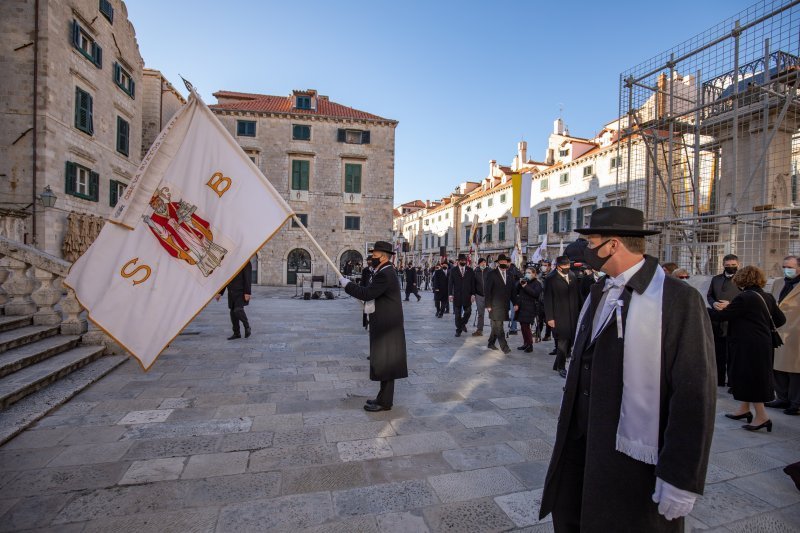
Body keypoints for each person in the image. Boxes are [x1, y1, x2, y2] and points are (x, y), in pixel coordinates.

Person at [540, 206, 716, 532]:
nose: (585, 250)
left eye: (591, 241)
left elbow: (695, 391)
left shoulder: (678, 299)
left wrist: (681, 475)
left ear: (613, 245)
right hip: (582, 446)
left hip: (630, 457)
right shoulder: (599, 289)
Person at [708, 265, 786, 432]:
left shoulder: (744, 297)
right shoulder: (766, 296)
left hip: (747, 346)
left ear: (741, 279)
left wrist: (704, 309)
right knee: (750, 376)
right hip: (763, 344)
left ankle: (762, 417)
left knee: (752, 378)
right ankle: (744, 409)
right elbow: (781, 320)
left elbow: (723, 316)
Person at [340, 241, 408, 412]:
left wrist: (347, 284)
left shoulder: (385, 274)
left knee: (387, 364)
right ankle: (382, 398)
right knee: (385, 363)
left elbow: (367, 293)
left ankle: (385, 402)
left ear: (384, 257)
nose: (372, 258)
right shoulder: (384, 271)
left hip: (387, 326)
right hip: (385, 323)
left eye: (375, 256)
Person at [769, 255, 800, 416]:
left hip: (796, 332)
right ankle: (782, 397)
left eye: (791, 267)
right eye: (785, 266)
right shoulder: (778, 283)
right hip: (778, 330)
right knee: (778, 366)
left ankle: (796, 402)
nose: (787, 269)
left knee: (795, 370)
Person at [707, 254, 742, 388]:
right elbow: (710, 295)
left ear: (738, 264)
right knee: (718, 353)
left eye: (733, 265)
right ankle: (719, 380)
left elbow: (745, 297)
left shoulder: (741, 279)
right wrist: (714, 303)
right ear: (723, 265)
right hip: (717, 320)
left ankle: (733, 383)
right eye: (727, 266)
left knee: (733, 355)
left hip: (734, 321)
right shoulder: (716, 279)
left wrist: (731, 304)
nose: (730, 268)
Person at [544, 256, 582, 378]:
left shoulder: (572, 275)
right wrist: (550, 317)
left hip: (573, 313)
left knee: (570, 339)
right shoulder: (551, 279)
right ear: (558, 266)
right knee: (562, 341)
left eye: (568, 265)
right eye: (564, 266)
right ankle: (561, 367)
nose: (567, 268)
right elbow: (547, 299)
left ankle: (558, 364)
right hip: (559, 314)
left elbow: (578, 294)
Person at [485, 254, 517, 354]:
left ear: (507, 263)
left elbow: (513, 291)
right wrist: (488, 305)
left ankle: (491, 343)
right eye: (501, 262)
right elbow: (487, 291)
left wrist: (515, 303)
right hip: (494, 305)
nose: (503, 263)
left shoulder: (510, 274)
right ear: (498, 263)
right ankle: (505, 347)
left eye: (505, 262)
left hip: (505, 305)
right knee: (499, 326)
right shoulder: (492, 274)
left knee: (495, 326)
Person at [215, 260, 252, 340]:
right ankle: (236, 333)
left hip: (241, 291)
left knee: (238, 310)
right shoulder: (230, 262)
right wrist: (220, 293)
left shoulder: (245, 261)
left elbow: (248, 277)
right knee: (232, 312)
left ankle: (247, 326)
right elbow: (225, 279)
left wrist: (247, 292)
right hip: (231, 291)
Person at [515, 266, 542, 353]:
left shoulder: (537, 283)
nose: (527, 274)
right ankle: (525, 343)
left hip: (530, 307)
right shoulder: (524, 281)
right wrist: (519, 283)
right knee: (522, 326)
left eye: (529, 273)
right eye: (526, 272)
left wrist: (526, 286)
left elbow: (535, 294)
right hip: (522, 306)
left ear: (534, 274)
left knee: (526, 326)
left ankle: (530, 344)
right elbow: (516, 290)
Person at [448, 254, 476, 337]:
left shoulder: (470, 270)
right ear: (459, 261)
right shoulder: (453, 270)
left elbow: (473, 283)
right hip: (457, 296)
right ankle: (458, 330)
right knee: (457, 314)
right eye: (462, 260)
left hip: (467, 296)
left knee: (468, 312)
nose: (463, 261)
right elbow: (450, 283)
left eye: (464, 260)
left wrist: (473, 294)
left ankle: (463, 323)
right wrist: (450, 294)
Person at [472, 258, 490, 337]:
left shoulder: (490, 271)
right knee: (480, 313)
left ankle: (496, 330)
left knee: (492, 313)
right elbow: (473, 284)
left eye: (485, 262)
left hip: (489, 295)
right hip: (479, 295)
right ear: (479, 264)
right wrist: (473, 294)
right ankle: (479, 330)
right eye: (482, 263)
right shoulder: (475, 271)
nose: (484, 264)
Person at [536, 260, 554, 342]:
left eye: (545, 265)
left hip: (548, 301)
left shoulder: (552, 275)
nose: (544, 267)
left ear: (549, 266)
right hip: (540, 300)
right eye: (543, 265)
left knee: (547, 319)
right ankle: (538, 334)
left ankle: (547, 335)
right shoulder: (539, 275)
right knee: (539, 318)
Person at [507, 262, 521, 335]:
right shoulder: (509, 270)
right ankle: (513, 327)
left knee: (513, 313)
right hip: (511, 295)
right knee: (512, 313)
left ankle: (513, 328)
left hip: (513, 295)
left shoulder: (513, 271)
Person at [360, 262, 374, 329]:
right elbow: (363, 280)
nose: (369, 262)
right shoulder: (365, 270)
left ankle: (372, 323)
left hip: (374, 291)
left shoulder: (376, 270)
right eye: (368, 261)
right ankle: (367, 324)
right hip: (366, 290)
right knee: (366, 308)